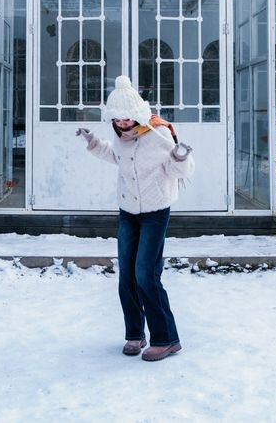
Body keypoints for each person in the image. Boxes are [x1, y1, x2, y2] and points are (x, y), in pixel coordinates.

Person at [76, 75, 194, 362]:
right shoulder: (120, 138)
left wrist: (180, 157)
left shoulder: (158, 135)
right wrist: (93, 142)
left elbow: (182, 172)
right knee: (126, 275)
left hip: (155, 213)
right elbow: (114, 155)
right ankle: (135, 334)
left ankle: (167, 339)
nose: (124, 124)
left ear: (137, 115)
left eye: (129, 118)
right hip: (128, 213)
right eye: (119, 119)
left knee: (146, 274)